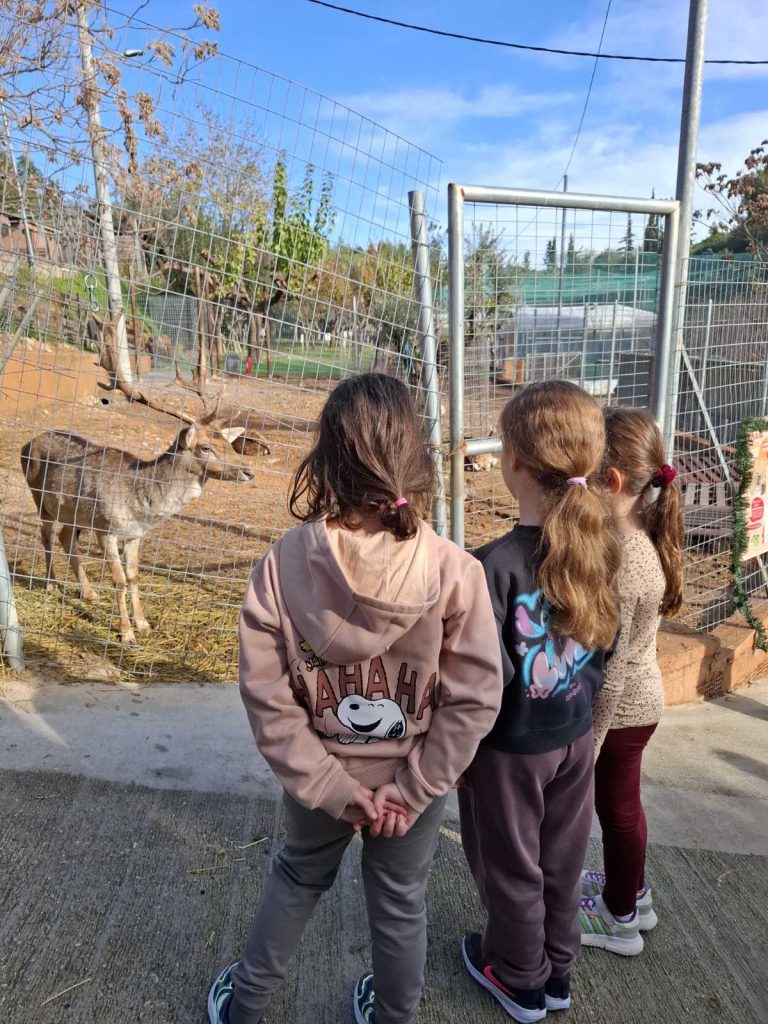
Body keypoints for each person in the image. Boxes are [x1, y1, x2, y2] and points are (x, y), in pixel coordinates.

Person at [208, 373, 503, 1024]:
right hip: (411, 791)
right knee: (400, 900)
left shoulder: (280, 567)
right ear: (415, 458)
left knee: (296, 877)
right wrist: (415, 788)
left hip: (318, 782)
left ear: (326, 460)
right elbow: (476, 698)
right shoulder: (456, 572)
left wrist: (330, 786)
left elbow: (267, 697)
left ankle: (245, 1006)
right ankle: (395, 1016)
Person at [458, 380, 622, 1023]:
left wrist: (461, 754)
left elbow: (481, 682)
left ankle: (520, 979)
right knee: (561, 860)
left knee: (511, 866)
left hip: (510, 751)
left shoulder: (491, 567)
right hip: (574, 737)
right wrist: (577, 704)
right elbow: (606, 646)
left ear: (515, 462)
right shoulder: (604, 546)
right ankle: (558, 972)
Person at [579, 406, 684, 955]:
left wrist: (591, 743)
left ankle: (619, 918)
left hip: (623, 712)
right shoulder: (638, 534)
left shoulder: (630, 563)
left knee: (617, 812)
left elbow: (614, 672)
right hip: (638, 704)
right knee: (624, 809)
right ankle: (633, 892)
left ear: (612, 481)